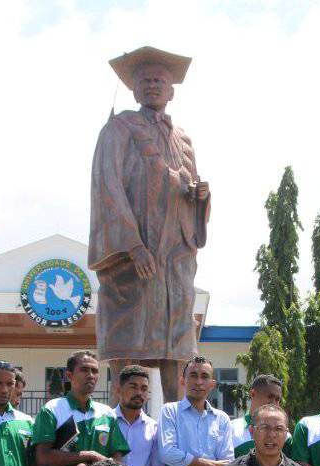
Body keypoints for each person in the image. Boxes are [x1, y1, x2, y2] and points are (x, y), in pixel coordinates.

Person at [90, 46, 211, 396]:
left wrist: (200, 198)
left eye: (160, 80)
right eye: (145, 79)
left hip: (175, 257)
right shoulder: (119, 128)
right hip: (136, 255)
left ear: (172, 90)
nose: (153, 85)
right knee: (129, 340)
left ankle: (176, 422)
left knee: (175, 345)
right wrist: (132, 244)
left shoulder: (183, 140)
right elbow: (107, 186)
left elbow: (186, 187)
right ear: (134, 88)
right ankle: (123, 426)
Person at [231, 374, 284, 457]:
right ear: (252, 394)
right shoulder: (231, 429)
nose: (274, 404)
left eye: (277, 399)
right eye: (270, 397)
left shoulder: (284, 435)